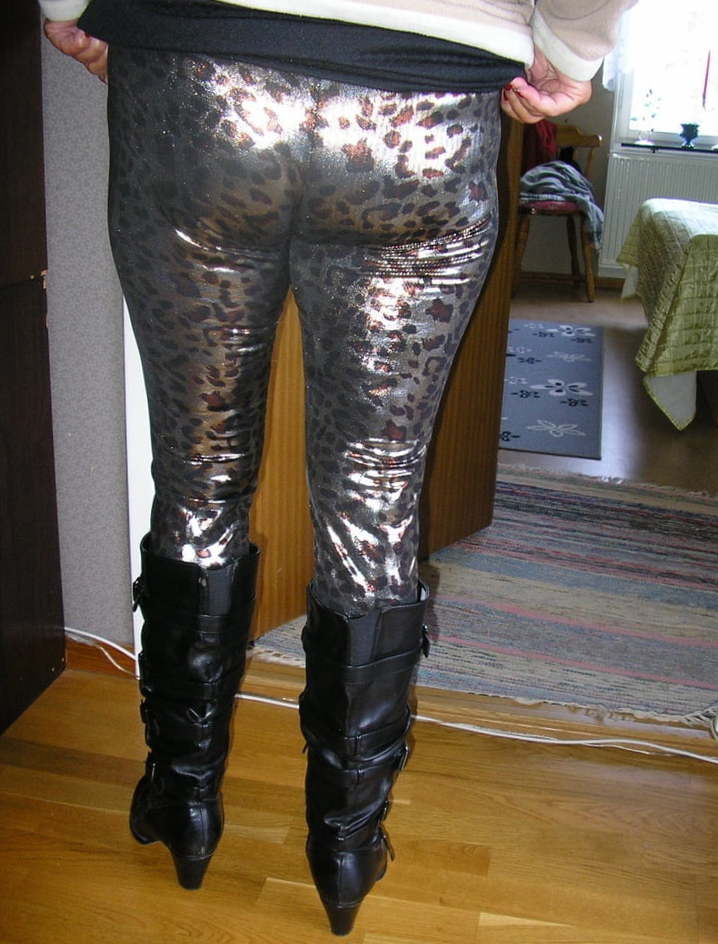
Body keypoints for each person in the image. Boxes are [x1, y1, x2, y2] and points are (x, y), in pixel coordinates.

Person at [42, 0, 636, 934]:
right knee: (375, 497)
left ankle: (182, 799)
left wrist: (67, 5)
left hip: (199, 88)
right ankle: (346, 843)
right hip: (422, 111)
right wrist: (570, 50)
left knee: (198, 474)